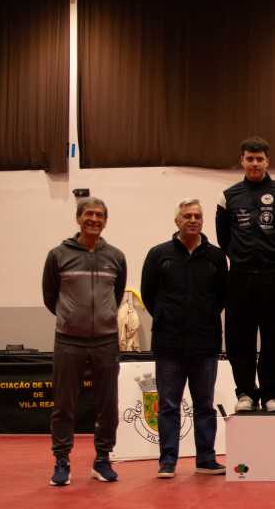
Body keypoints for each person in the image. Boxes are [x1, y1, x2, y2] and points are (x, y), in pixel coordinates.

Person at [42, 197, 126, 486]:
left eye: (100, 215)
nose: (94, 219)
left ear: (106, 221)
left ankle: (102, 460)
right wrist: (71, 318)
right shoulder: (58, 255)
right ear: (78, 218)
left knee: (108, 405)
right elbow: (50, 297)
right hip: (69, 341)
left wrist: (103, 317)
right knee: (64, 404)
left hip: (106, 341)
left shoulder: (116, 256)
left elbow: (116, 295)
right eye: (89, 214)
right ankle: (61, 461)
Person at [140, 199, 228, 478]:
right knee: (168, 405)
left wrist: (204, 316)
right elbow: (148, 295)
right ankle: (167, 461)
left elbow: (222, 296)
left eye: (197, 216)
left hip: (205, 343)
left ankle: (206, 459)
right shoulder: (159, 254)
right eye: (187, 216)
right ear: (177, 221)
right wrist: (167, 316)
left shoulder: (216, 256)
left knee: (205, 405)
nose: (193, 220)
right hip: (169, 343)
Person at [216, 136, 275, 413]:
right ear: (242, 161)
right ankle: (246, 393)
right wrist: (242, 258)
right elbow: (223, 239)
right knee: (240, 339)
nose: (254, 163)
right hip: (240, 277)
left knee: (274, 338)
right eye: (250, 158)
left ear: (267, 161)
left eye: (259, 159)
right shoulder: (228, 196)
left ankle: (272, 393)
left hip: (273, 277)